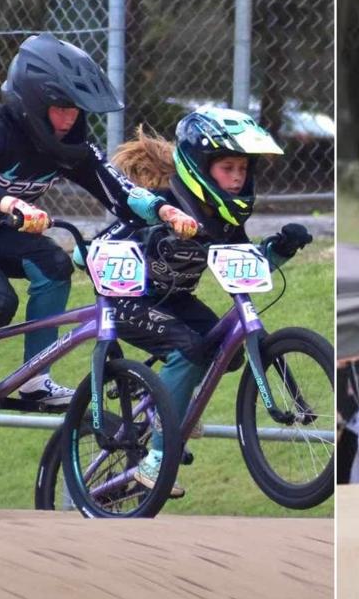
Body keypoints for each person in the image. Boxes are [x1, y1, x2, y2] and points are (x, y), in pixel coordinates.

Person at [0, 33, 197, 412]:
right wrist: (9, 202)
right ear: (32, 101)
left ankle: (35, 378)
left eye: (76, 109)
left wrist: (165, 210)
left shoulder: (71, 146)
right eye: (61, 107)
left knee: (55, 266)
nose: (70, 118)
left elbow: (122, 192)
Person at [96, 108, 313, 495]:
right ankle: (157, 461)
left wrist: (280, 248)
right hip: (123, 300)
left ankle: (166, 399)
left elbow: (243, 265)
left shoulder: (225, 218)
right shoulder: (160, 205)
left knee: (228, 353)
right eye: (227, 168)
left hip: (173, 299)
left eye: (243, 169)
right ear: (199, 167)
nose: (237, 177)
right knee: (192, 350)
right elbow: (101, 244)